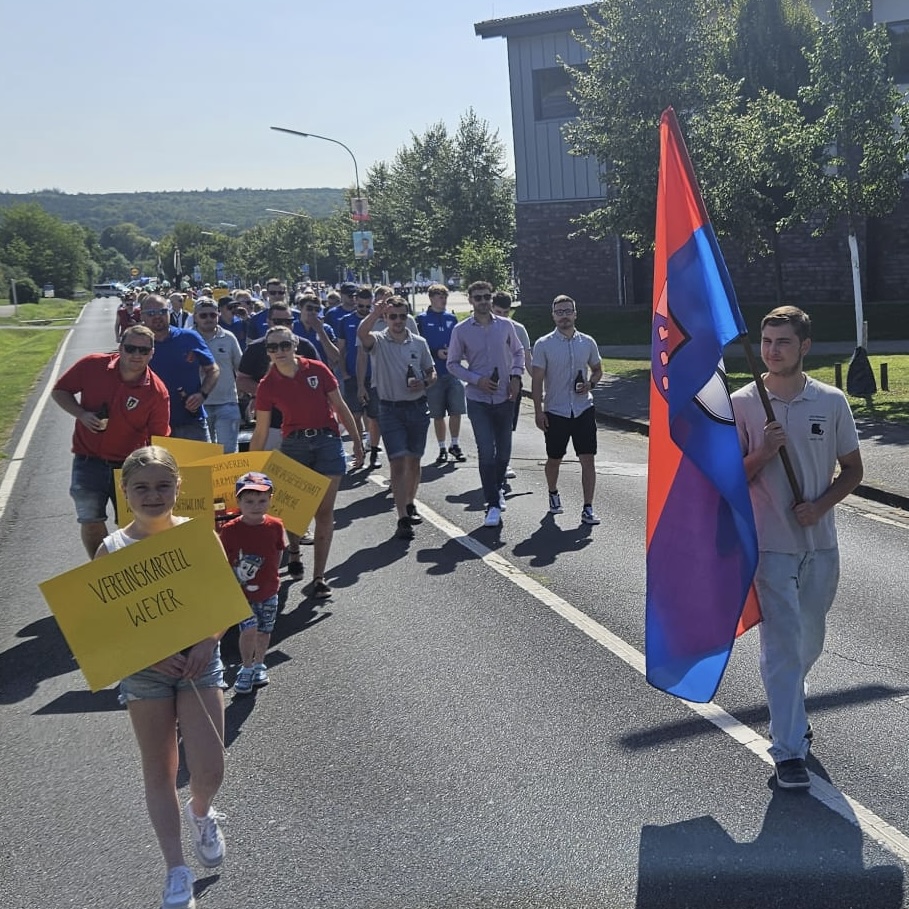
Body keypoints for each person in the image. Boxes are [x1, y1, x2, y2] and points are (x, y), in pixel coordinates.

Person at [731, 305, 863, 791]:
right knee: (783, 645)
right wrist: (763, 453)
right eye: (767, 342)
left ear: (804, 347)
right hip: (770, 545)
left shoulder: (830, 401)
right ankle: (788, 749)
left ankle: (791, 706)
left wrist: (822, 505)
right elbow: (727, 478)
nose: (772, 350)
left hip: (821, 545)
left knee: (809, 643)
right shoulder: (743, 403)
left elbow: (853, 469)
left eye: (783, 342)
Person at [95, 446, 227, 909]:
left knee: (210, 767)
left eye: (162, 486)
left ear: (178, 488)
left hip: (199, 662)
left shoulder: (197, 535)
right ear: (125, 492)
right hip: (145, 674)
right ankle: (176, 870)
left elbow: (222, 601)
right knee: (161, 770)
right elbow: (105, 624)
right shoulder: (110, 548)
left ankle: (202, 811)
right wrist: (149, 658)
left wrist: (209, 641)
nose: (153, 496)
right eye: (142, 488)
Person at [248, 325, 364, 598]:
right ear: (268, 352)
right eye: (273, 347)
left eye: (285, 346)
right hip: (295, 445)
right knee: (295, 511)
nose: (280, 352)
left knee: (324, 512)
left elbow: (340, 406)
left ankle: (319, 577)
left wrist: (358, 442)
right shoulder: (267, 385)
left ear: (295, 346)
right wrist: (251, 468)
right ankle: (295, 550)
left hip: (327, 441)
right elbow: (261, 430)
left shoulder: (317, 369)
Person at [51, 325, 171, 557]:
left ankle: (135, 575)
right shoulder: (92, 365)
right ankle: (102, 570)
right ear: (120, 347)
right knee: (91, 520)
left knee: (133, 525)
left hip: (129, 467)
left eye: (143, 350)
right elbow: (60, 391)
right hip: (88, 461)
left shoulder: (157, 392)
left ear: (152, 354)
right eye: (131, 348)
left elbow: (159, 440)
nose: (136, 355)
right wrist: (81, 414)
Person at [447, 280, 524, 528]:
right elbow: (452, 364)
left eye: (486, 297)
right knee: (485, 451)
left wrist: (515, 376)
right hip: (478, 399)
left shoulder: (505, 326)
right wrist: (476, 380)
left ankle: (497, 487)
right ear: (470, 300)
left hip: (504, 397)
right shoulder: (461, 330)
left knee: (503, 451)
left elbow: (519, 352)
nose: (483, 301)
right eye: (478, 297)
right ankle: (491, 503)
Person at [357, 296, 436, 540]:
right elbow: (362, 334)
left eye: (402, 316)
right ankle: (401, 516)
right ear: (386, 319)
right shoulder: (379, 341)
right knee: (398, 461)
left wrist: (424, 381)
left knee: (414, 460)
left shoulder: (419, 342)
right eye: (393, 316)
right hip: (390, 410)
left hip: (417, 408)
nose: (398, 321)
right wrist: (374, 313)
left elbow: (431, 371)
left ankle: (410, 502)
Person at [531, 294, 604, 525]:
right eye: (559, 312)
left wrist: (590, 384)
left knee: (588, 459)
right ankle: (553, 493)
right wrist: (538, 411)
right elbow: (536, 381)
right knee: (554, 459)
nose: (564, 316)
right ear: (553, 316)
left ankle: (588, 507)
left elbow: (597, 369)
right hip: (556, 410)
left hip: (583, 409)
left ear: (575, 313)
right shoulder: (543, 344)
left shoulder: (587, 342)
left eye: (567, 311)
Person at [218, 471, 287, 695]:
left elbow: (278, 553)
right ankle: (246, 668)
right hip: (241, 593)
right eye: (249, 501)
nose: (256, 506)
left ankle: (259, 665)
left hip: (268, 590)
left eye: (262, 501)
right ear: (238, 502)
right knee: (248, 630)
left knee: (265, 631)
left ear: (270, 500)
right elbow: (224, 561)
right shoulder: (229, 530)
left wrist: (274, 577)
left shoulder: (276, 525)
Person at [140, 295, 220, 442]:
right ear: (142, 315)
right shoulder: (136, 343)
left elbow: (213, 370)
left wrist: (202, 395)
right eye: (151, 313)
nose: (158, 317)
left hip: (191, 420)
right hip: (153, 424)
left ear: (169, 312)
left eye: (162, 312)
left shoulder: (189, 337)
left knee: (201, 465)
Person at [416, 283, 467, 466]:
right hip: (433, 374)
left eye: (445, 297)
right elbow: (417, 346)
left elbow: (459, 342)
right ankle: (442, 447)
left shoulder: (451, 318)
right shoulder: (421, 319)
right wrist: (435, 352)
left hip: (453, 372)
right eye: (439, 297)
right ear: (431, 298)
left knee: (456, 410)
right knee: (438, 414)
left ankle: (455, 444)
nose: (443, 300)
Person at [190, 297, 244, 453]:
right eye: (203, 315)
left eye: (212, 315)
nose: (208, 319)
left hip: (227, 403)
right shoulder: (187, 338)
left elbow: (240, 367)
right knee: (205, 454)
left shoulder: (228, 337)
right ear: (195, 316)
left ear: (218, 315)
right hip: (198, 406)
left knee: (228, 453)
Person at [337, 292, 383, 469]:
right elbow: (341, 349)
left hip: (375, 375)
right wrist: (344, 373)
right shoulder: (345, 321)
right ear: (355, 303)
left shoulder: (377, 321)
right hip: (352, 374)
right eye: (361, 306)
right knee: (354, 415)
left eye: (367, 306)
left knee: (374, 416)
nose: (364, 310)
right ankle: (359, 447)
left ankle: (374, 449)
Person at [492, 291, 532, 482]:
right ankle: (494, 459)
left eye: (506, 312)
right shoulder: (483, 328)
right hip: (489, 382)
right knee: (491, 425)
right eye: (498, 311)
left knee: (507, 426)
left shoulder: (518, 329)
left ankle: (503, 460)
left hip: (512, 381)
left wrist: (541, 385)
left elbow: (528, 360)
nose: (502, 317)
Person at [295, 292, 340, 366]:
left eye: (317, 309)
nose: (313, 312)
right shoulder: (292, 327)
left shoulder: (326, 329)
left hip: (320, 372)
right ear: (300, 308)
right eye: (309, 308)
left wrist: (320, 331)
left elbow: (335, 357)